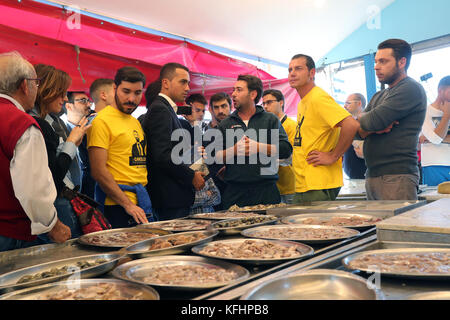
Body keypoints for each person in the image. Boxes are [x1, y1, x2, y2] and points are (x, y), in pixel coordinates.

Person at [0, 52, 71, 251]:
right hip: (10, 232)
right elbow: (33, 186)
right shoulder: (21, 123)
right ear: (25, 85)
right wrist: (52, 224)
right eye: (36, 83)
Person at [358, 39, 427, 200]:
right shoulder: (379, 95)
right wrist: (365, 121)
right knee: (378, 226)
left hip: (397, 176)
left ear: (402, 62)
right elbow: (357, 130)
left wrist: (367, 122)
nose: (376, 66)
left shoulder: (410, 88)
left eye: (383, 61)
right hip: (373, 175)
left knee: (396, 226)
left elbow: (373, 121)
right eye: (376, 61)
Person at [288, 54, 359, 203]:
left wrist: (333, 156)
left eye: (298, 68)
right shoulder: (304, 102)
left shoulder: (317, 98)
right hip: (306, 183)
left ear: (312, 73)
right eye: (290, 69)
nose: (292, 73)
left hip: (317, 183)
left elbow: (351, 124)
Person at [29, 64, 88, 240]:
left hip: (65, 202)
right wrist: (71, 143)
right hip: (53, 207)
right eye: (60, 92)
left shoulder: (54, 121)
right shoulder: (35, 123)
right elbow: (51, 175)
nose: (64, 98)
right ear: (46, 90)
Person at [215, 75, 292, 209]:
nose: (233, 94)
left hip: (266, 192)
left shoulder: (270, 119)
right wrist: (233, 150)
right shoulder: (226, 123)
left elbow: (285, 149)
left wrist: (259, 147)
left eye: (239, 90)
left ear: (253, 94)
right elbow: (214, 156)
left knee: (269, 230)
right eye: (233, 90)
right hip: (235, 193)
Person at [88, 66, 150, 228]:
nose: (131, 98)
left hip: (140, 201)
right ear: (115, 88)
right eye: (126, 91)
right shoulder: (101, 121)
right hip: (116, 205)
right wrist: (127, 204)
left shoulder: (135, 121)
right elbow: (98, 171)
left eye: (137, 93)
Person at [143, 62, 205, 220]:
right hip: (169, 196)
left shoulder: (166, 109)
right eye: (183, 82)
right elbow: (163, 155)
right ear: (165, 83)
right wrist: (191, 175)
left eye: (188, 83)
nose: (187, 88)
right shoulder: (160, 109)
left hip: (173, 195)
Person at [262, 89, 296, 204]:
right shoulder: (265, 127)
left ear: (281, 103)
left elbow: (291, 157)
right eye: (264, 103)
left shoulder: (291, 125)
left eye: (269, 102)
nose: (265, 106)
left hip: (289, 186)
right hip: (270, 186)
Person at [203, 92, 232, 209]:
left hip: (234, 186)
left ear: (231, 107)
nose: (220, 111)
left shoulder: (239, 129)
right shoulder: (204, 133)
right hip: (214, 190)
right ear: (210, 109)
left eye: (224, 106)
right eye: (216, 107)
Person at [64, 91, 96, 198]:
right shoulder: (61, 133)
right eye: (83, 101)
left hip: (94, 194)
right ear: (68, 106)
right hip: (72, 195)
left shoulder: (94, 131)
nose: (88, 104)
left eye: (88, 101)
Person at [419, 75, 450, 186]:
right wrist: (446, 115)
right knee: (435, 200)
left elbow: (434, 138)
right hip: (433, 164)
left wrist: (430, 137)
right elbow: (436, 139)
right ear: (440, 91)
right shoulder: (425, 111)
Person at [343, 93, 367, 179]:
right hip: (350, 174)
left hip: (363, 174)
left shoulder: (367, 123)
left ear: (359, 103)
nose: (345, 106)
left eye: (348, 103)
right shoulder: (347, 123)